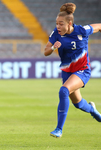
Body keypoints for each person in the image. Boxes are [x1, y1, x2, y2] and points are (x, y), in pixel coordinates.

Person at [44, 2, 101, 138]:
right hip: (67, 73)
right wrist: (53, 48)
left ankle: (59, 129)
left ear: (70, 23)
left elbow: (98, 26)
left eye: (61, 24)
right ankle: (92, 110)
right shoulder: (56, 34)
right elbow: (46, 51)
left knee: (63, 90)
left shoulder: (82, 30)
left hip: (82, 70)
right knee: (78, 104)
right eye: (57, 23)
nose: (58, 26)